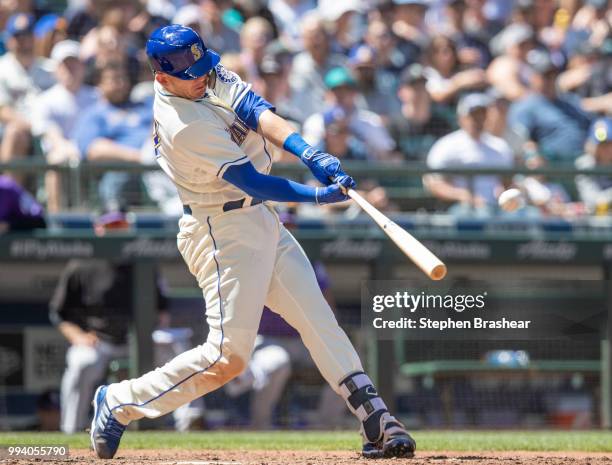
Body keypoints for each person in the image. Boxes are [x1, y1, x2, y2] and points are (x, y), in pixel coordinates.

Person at [89, 24, 415, 460]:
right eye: (191, 74)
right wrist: (319, 196)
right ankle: (120, 401)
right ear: (163, 78)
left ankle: (376, 418)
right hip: (221, 232)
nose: (202, 77)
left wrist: (310, 153)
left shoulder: (200, 70)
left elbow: (256, 109)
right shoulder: (180, 124)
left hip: (260, 220)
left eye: (203, 66)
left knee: (318, 318)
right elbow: (252, 182)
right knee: (228, 357)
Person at [51, 258, 203, 434]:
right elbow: (59, 313)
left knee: (177, 350)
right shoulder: (81, 265)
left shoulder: (143, 262)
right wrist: (79, 337)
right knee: (81, 363)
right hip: (98, 341)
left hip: (140, 339)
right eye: (106, 227)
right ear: (97, 228)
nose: (112, 229)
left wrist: (156, 329)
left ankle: (190, 420)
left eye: (117, 227)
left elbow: (162, 308)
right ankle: (71, 429)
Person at [73, 61, 152, 211]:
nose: (121, 84)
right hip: (123, 169)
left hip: (159, 165)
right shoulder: (95, 114)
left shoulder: (145, 107)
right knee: (118, 177)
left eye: (123, 78)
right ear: (100, 84)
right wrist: (140, 157)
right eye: (114, 79)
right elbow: (92, 149)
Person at [32, 40, 99, 212]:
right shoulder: (45, 100)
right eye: (65, 65)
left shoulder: (96, 97)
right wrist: (69, 149)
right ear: (56, 69)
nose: (70, 70)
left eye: (74, 64)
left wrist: (82, 148)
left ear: (83, 67)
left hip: (91, 152)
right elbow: (50, 134)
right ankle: (57, 218)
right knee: (56, 160)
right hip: (61, 155)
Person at [423, 93, 514, 214]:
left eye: (482, 115)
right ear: (461, 118)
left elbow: (508, 182)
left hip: (495, 207)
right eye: (473, 115)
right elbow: (433, 183)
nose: (478, 120)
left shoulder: (499, 146)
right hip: (460, 208)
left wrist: (509, 196)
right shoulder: (446, 146)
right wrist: (463, 195)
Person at [508, 50, 593, 164]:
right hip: (550, 168)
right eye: (545, 76)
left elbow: (592, 127)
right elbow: (520, 141)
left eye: (553, 75)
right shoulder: (526, 106)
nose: (550, 80)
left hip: (583, 163)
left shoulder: (570, 101)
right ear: (533, 77)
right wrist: (533, 156)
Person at [0, 13, 55, 176]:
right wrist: (32, 125)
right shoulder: (2, 69)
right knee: (15, 132)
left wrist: (44, 127)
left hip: (47, 129)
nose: (24, 42)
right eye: (18, 37)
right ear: (10, 40)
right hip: (15, 129)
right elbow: (2, 110)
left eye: (28, 36)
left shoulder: (50, 69)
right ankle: (7, 197)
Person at [302, 67, 395, 160]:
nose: (341, 96)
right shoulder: (315, 122)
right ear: (327, 94)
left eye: (346, 91)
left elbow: (387, 157)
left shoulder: (371, 121)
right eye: (336, 91)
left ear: (355, 94)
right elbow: (305, 159)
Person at [390, 63, 454, 161]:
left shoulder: (442, 125)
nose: (419, 91)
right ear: (401, 92)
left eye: (423, 86)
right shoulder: (394, 126)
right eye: (414, 87)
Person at [575, 117, 612, 215]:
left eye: (608, 144)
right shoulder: (584, 163)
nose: (604, 149)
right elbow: (591, 200)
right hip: (593, 218)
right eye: (600, 144)